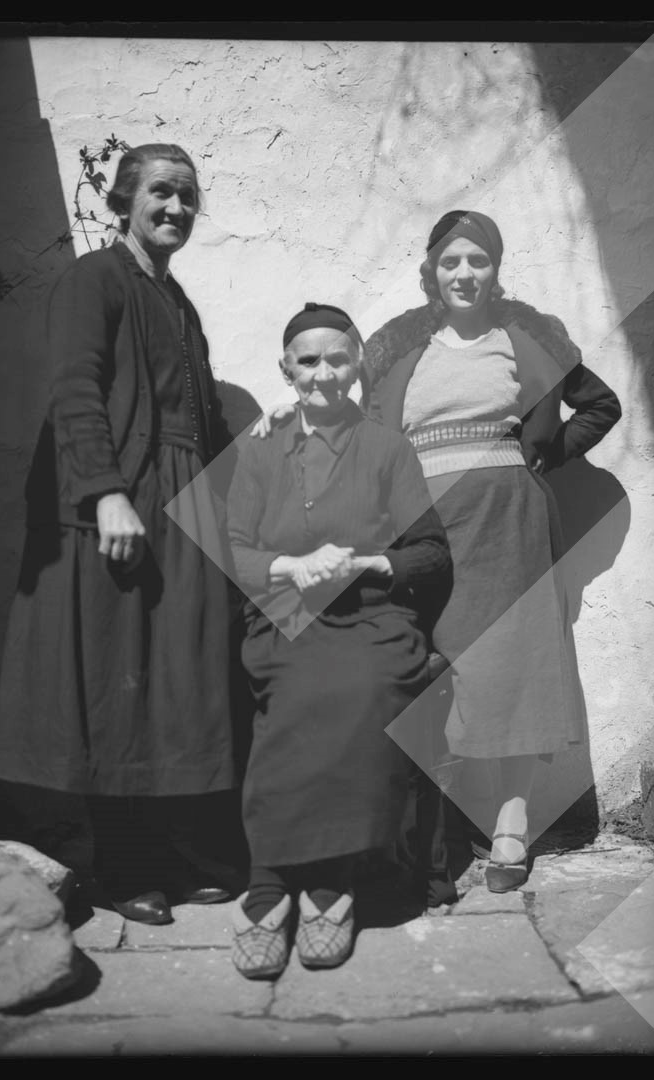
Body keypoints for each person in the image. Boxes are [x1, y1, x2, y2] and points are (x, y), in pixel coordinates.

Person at [0, 143, 243, 924]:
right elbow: (75, 389)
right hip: (123, 502)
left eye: (188, 196)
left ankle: (177, 852)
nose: (177, 208)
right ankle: (124, 868)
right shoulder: (94, 279)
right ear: (123, 201)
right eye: (162, 192)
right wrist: (105, 495)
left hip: (183, 507)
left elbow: (201, 420)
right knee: (117, 684)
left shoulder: (178, 302)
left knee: (174, 684)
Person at [364, 209, 622, 892]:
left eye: (477, 260)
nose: (464, 273)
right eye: (450, 261)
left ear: (495, 269)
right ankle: (428, 829)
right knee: (422, 669)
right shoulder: (398, 350)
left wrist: (542, 456)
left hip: (509, 524)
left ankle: (512, 824)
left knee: (514, 672)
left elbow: (601, 407)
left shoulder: (526, 340)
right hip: (422, 528)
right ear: (432, 270)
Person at [225, 303, 452, 979]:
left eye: (337, 359)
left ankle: (330, 882)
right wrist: (289, 567)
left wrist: (369, 563)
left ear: (356, 367)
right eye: (308, 361)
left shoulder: (388, 448)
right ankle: (269, 881)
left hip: (372, 617)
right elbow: (233, 549)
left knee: (361, 687)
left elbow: (431, 553)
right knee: (297, 693)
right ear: (286, 370)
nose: (323, 374)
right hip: (285, 613)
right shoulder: (260, 449)